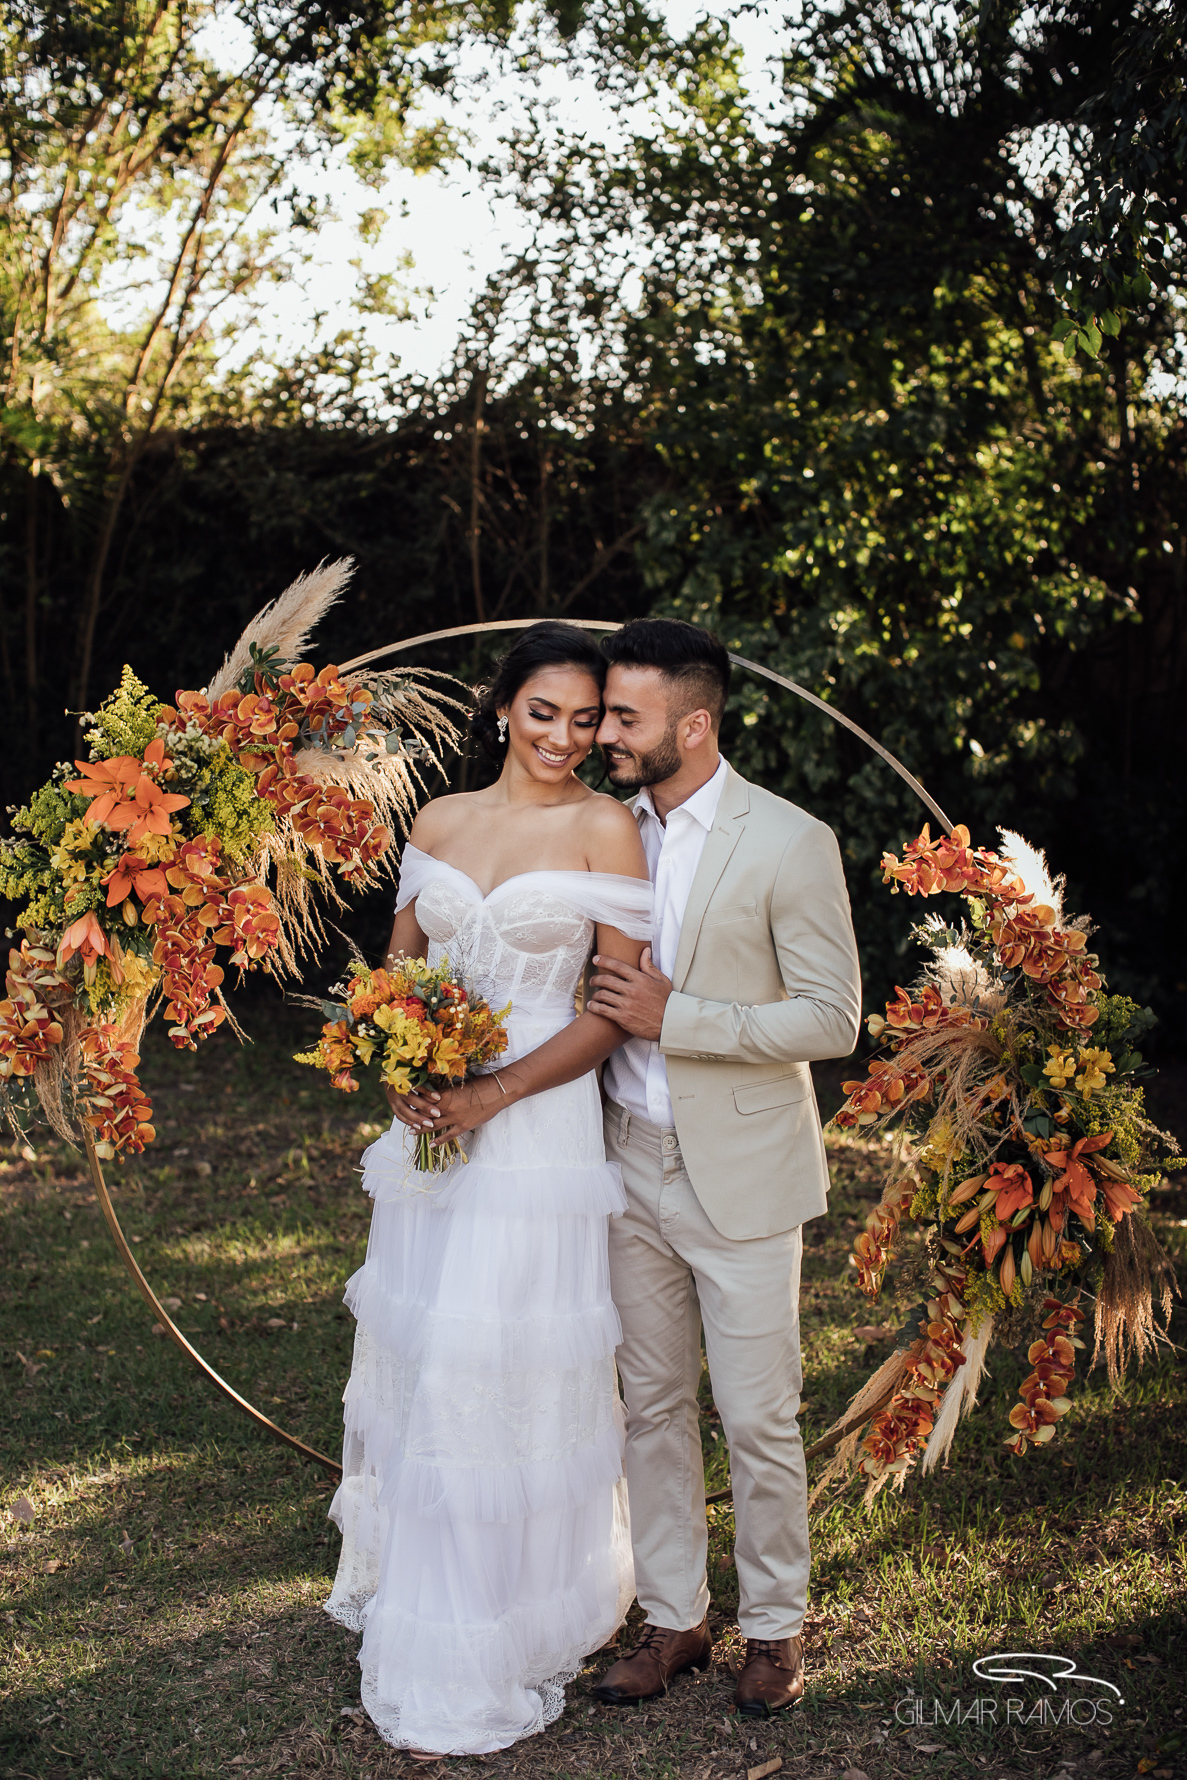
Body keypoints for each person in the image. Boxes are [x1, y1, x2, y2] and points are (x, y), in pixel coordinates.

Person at [324, 622, 653, 1757]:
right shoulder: (439, 819)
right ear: (502, 704)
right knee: (426, 1351)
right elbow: (400, 966)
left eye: (584, 718)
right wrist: (399, 1058)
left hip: (534, 1131)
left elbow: (613, 1006)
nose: (562, 736)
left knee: (497, 1357)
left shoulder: (606, 826)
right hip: (430, 1122)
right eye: (542, 711)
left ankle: (496, 1612)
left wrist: (492, 1092)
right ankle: (421, 1581)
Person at [585, 617, 861, 1717]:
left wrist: (679, 1017)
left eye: (625, 716)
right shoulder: (600, 830)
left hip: (740, 1170)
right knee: (649, 1406)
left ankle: (775, 1628)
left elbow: (832, 1016)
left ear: (693, 725)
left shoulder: (789, 840)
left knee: (756, 1417)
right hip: (620, 1160)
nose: (603, 733)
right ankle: (674, 1618)